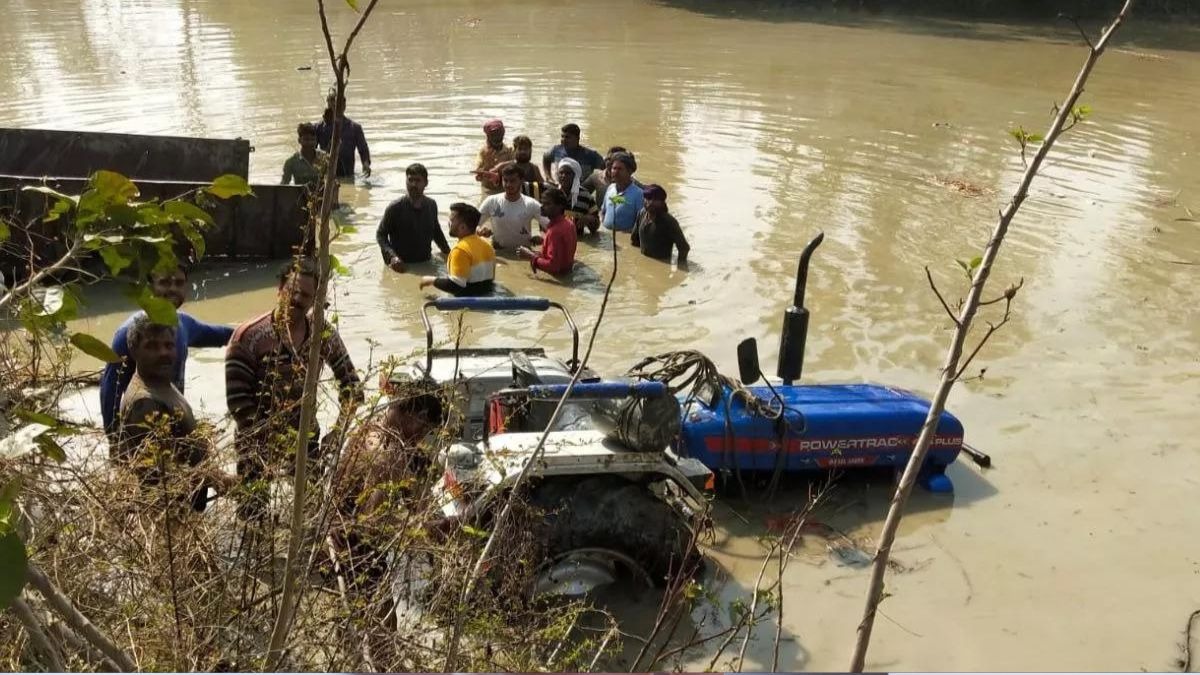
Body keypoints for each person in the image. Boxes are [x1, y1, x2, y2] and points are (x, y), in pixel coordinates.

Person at [225, 258, 363, 491]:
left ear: (316, 300)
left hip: (306, 438)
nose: (298, 300)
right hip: (255, 442)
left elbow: (352, 387)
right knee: (253, 512)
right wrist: (267, 442)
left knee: (311, 505)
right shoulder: (249, 337)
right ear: (280, 290)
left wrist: (338, 431)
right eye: (293, 291)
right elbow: (238, 403)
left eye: (306, 296)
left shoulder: (323, 335)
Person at [116, 314, 233, 513]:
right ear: (134, 350)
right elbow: (162, 478)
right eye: (152, 346)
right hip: (170, 516)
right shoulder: (144, 403)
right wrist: (220, 479)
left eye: (169, 346)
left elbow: (178, 444)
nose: (163, 353)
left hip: (186, 508)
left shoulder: (160, 381)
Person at [100, 267, 233, 440]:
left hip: (174, 415)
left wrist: (258, 330)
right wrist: (113, 439)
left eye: (178, 283)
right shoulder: (130, 333)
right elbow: (110, 389)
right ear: (150, 287)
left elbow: (222, 335)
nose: (172, 289)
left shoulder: (183, 323)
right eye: (164, 282)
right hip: (145, 419)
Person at [376, 163, 452, 272]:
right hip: (402, 266)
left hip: (426, 262)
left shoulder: (431, 205)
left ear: (426, 183)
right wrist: (392, 257)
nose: (413, 184)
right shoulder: (395, 208)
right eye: (410, 180)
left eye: (417, 180)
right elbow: (381, 235)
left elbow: (436, 232)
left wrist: (449, 253)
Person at [419, 203, 495, 297]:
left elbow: (455, 286)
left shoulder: (460, 250)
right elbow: (489, 282)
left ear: (462, 227)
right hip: (487, 298)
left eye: (451, 221)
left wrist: (431, 280)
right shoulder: (488, 246)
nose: (448, 223)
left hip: (467, 304)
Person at [478, 165, 545, 251]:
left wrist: (543, 238)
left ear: (521, 181)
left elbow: (551, 227)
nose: (508, 185)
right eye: (505, 180)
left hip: (523, 255)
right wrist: (480, 231)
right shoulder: (491, 201)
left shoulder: (531, 204)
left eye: (513, 181)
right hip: (499, 253)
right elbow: (473, 225)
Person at [519, 187, 577, 277]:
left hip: (558, 279)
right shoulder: (569, 223)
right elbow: (562, 252)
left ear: (560, 206)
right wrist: (544, 242)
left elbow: (554, 266)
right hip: (569, 274)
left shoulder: (554, 232)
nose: (542, 207)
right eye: (542, 203)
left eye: (547, 204)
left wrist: (530, 256)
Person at [316, 93, 371, 179]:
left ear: (344, 106)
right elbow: (311, 150)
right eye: (333, 104)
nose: (335, 107)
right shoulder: (319, 128)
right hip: (326, 175)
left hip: (348, 174)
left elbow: (363, 149)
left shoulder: (355, 128)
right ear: (328, 105)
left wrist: (365, 164)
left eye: (338, 104)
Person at [632, 184, 690, 264]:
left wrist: (680, 267)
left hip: (662, 263)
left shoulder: (669, 222)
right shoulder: (641, 214)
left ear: (662, 202)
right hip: (643, 263)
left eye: (655, 199)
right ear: (644, 199)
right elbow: (634, 240)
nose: (651, 202)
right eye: (648, 198)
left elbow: (684, 248)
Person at [541, 123, 605, 193]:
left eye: (567, 137)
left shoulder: (590, 155)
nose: (563, 140)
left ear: (577, 138)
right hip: (560, 188)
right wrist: (549, 178)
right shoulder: (556, 150)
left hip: (582, 190)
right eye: (562, 136)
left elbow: (605, 168)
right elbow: (546, 158)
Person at [554, 157, 599, 235]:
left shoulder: (585, 196)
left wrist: (589, 219)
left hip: (577, 239)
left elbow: (596, 227)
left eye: (568, 173)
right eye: (561, 173)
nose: (563, 176)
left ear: (575, 176)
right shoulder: (551, 193)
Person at [600, 151, 644, 232]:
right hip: (607, 237)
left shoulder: (638, 194)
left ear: (629, 171)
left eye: (620, 169)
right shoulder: (610, 188)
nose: (616, 172)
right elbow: (603, 211)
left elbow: (641, 223)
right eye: (614, 168)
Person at [281, 122, 329, 187]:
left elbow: (332, 181)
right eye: (306, 139)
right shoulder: (291, 162)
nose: (310, 143)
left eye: (312, 139)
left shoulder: (325, 158)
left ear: (316, 140)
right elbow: (284, 185)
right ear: (299, 140)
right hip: (300, 195)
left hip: (321, 195)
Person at [473, 119, 514, 194]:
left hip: (506, 190)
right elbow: (478, 177)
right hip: (488, 190)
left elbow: (518, 166)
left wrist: (501, 165)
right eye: (494, 135)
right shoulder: (483, 152)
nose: (497, 137)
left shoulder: (509, 150)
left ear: (503, 134)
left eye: (499, 134)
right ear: (488, 136)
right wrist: (487, 165)